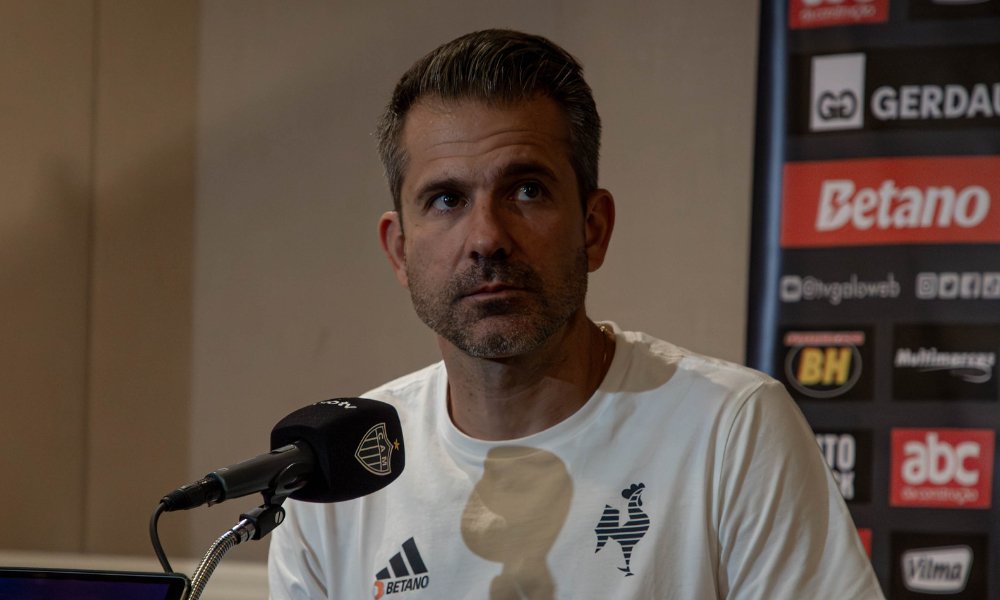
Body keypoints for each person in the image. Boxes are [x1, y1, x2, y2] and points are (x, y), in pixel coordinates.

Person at [268, 29, 885, 599]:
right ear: (400, 251)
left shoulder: (732, 430)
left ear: (594, 228)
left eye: (527, 190)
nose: (486, 237)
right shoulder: (335, 472)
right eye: (447, 199)